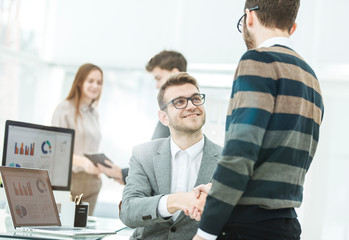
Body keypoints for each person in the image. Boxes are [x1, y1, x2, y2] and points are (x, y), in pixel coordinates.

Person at [192, 0, 325, 239]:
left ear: (249, 17)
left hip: (247, 227)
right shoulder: (310, 78)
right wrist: (217, 189)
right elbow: (275, 162)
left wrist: (205, 232)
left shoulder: (257, 60)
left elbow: (240, 153)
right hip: (285, 226)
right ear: (292, 27)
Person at [119, 72, 222, 240]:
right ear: (164, 117)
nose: (191, 106)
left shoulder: (227, 160)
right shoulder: (143, 154)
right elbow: (128, 211)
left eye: (196, 99)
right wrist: (176, 201)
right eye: (179, 102)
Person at [97, 50, 188, 183]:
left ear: (174, 73)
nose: (157, 85)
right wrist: (124, 174)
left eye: (158, 78)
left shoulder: (181, 111)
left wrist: (123, 174)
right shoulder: (171, 108)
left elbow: (158, 159)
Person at [52, 63, 106, 215]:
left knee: (84, 233)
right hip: (70, 181)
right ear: (80, 82)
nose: (95, 86)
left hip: (91, 183)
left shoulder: (94, 113)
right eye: (91, 81)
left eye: (99, 82)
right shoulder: (65, 109)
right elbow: (57, 150)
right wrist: (84, 163)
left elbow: (90, 147)